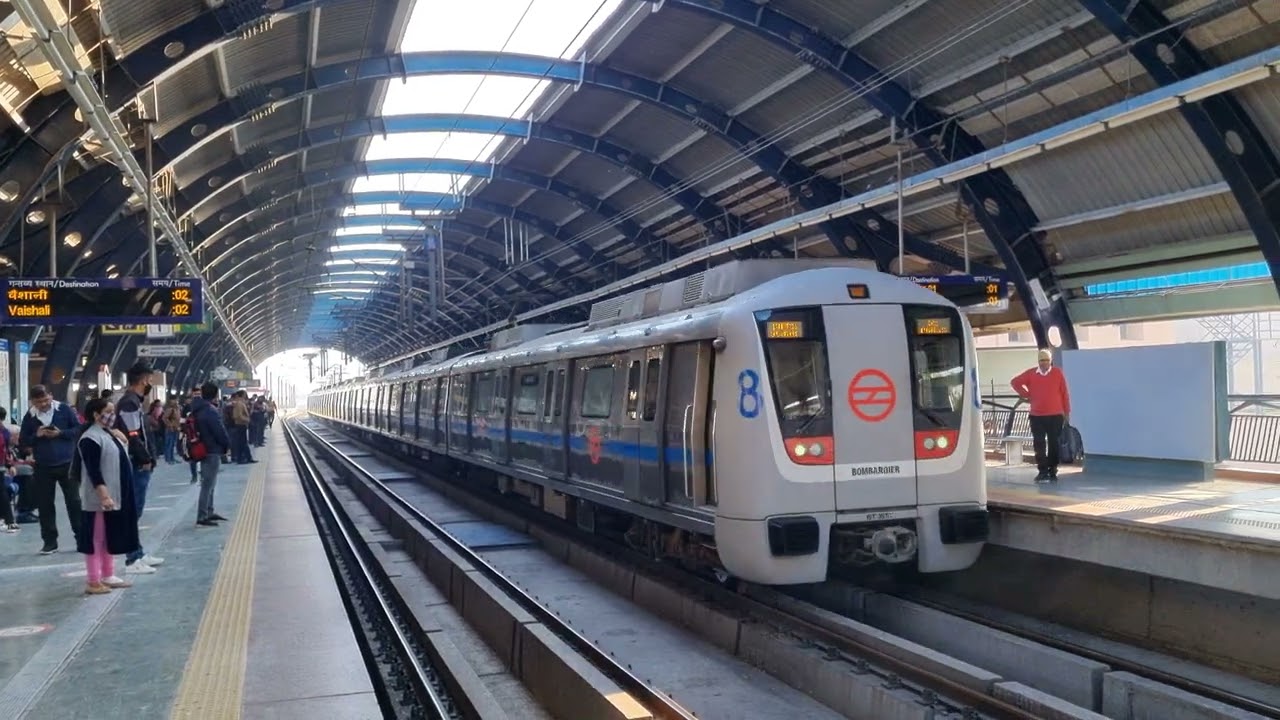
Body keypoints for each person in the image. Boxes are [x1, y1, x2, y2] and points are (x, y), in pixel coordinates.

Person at [74, 398, 139, 594]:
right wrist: (104, 496)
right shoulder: (90, 439)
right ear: (96, 414)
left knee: (108, 536)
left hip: (114, 495)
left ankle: (108, 574)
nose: (113, 415)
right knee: (96, 539)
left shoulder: (106, 434)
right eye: (109, 411)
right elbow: (93, 471)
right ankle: (93, 580)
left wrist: (119, 436)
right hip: (99, 499)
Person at [19, 385, 83, 554]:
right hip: (43, 466)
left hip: (67, 463)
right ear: (33, 402)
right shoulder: (30, 417)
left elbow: (77, 429)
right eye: (39, 402)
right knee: (45, 505)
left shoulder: (64, 410)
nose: (43, 404)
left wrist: (61, 434)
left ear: (51, 396)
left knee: (74, 502)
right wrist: (36, 436)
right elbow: (23, 441)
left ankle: (82, 538)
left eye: (46, 400)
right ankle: (50, 542)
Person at [114, 362, 164, 574]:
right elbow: (133, 434)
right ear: (144, 379)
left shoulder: (134, 401)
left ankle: (138, 552)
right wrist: (145, 457)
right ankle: (132, 559)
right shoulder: (129, 403)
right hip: (136, 463)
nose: (150, 384)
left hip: (139, 461)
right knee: (132, 511)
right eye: (150, 380)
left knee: (136, 510)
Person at [1010, 348, 1072, 482]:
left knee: (1053, 443)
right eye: (1041, 360)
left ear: (1051, 361)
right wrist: (1026, 394)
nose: (1044, 363)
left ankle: (1052, 469)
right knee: (1039, 444)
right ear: (1038, 361)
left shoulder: (1058, 373)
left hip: (1055, 415)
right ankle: (1042, 470)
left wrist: (1067, 412)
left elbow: (1064, 394)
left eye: (1046, 360)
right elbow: (1015, 382)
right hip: (1036, 416)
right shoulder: (1031, 373)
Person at [189, 382, 231, 527]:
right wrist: (226, 445)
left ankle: (209, 510)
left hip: (201, 448)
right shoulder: (210, 410)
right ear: (215, 395)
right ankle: (202, 515)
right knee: (207, 484)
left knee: (210, 482)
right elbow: (219, 430)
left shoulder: (197, 409)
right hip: (211, 449)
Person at [161, 399, 182, 464]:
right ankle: (168, 458)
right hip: (170, 429)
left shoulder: (177, 409)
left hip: (176, 428)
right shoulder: (170, 409)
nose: (176, 402)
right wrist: (170, 425)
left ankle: (172, 458)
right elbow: (164, 418)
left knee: (172, 444)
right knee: (169, 444)